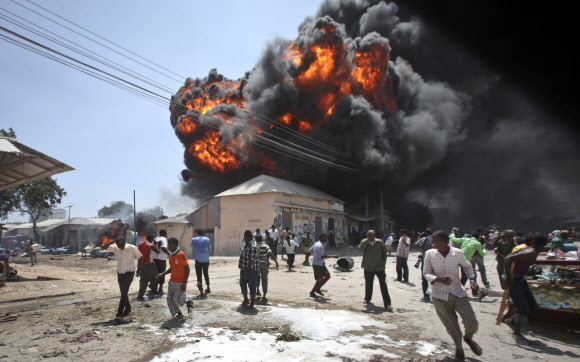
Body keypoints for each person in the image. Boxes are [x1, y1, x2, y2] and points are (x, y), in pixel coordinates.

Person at [423, 231, 482, 360]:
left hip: (457, 292)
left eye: (434, 241)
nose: (432, 243)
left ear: (442, 242)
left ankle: (468, 337)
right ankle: (459, 348)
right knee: (452, 327)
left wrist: (472, 280)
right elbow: (426, 272)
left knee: (471, 321)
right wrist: (438, 279)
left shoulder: (457, 253)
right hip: (439, 295)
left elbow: (467, 267)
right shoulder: (430, 254)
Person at [503, 234, 548, 337]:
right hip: (515, 279)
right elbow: (507, 259)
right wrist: (509, 277)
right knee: (523, 308)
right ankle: (517, 331)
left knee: (532, 305)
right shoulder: (530, 252)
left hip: (520, 279)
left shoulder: (531, 250)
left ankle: (511, 320)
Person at [103, 236, 141, 319]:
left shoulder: (132, 248)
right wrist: (113, 240)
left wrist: (139, 269)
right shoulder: (116, 248)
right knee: (123, 292)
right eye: (117, 244)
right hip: (120, 272)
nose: (119, 247)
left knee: (124, 292)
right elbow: (104, 247)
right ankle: (128, 308)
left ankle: (119, 312)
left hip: (129, 272)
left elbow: (139, 257)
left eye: (120, 245)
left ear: (124, 242)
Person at [156, 237, 193, 320]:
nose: (169, 246)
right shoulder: (171, 255)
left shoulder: (181, 255)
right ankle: (179, 314)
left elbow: (187, 269)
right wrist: (163, 273)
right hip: (172, 281)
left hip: (180, 282)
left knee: (176, 299)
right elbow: (172, 268)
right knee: (170, 300)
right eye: (168, 245)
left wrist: (184, 283)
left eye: (171, 245)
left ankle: (188, 302)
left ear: (176, 245)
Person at [358, 230, 391, 309]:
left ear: (375, 235)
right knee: (368, 284)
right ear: (367, 236)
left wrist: (383, 263)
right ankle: (367, 299)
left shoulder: (379, 242)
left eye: (372, 235)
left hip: (379, 267)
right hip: (368, 267)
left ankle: (387, 303)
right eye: (369, 235)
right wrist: (366, 241)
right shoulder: (364, 242)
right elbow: (360, 249)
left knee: (383, 285)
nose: (371, 237)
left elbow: (384, 253)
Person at [308, 234, 338, 298]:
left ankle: (318, 289)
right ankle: (312, 292)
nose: (326, 240)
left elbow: (309, 251)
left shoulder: (317, 243)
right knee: (319, 280)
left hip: (321, 264)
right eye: (325, 238)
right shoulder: (320, 246)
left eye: (326, 238)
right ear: (321, 238)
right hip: (317, 264)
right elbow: (322, 256)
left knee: (327, 276)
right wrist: (333, 256)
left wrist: (306, 259)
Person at [239, 230, 259, 309]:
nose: (244, 238)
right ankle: (246, 299)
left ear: (249, 237)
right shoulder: (246, 244)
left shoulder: (253, 246)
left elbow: (251, 260)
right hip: (244, 268)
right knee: (242, 284)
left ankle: (252, 303)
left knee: (252, 285)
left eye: (245, 237)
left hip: (251, 270)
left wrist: (247, 271)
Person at [255, 234, 278, 303]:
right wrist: (276, 261)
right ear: (262, 239)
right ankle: (264, 295)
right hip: (264, 264)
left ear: (256, 239)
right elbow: (270, 253)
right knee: (264, 279)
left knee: (257, 277)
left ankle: (257, 290)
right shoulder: (265, 245)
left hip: (256, 264)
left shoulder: (254, 246)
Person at [136, 234, 159, 300]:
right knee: (155, 277)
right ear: (152, 239)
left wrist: (138, 269)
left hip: (142, 264)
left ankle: (140, 295)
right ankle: (154, 291)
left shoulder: (140, 244)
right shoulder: (151, 245)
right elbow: (158, 251)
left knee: (143, 280)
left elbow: (139, 257)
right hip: (150, 264)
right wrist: (156, 244)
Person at [190, 230, 211, 297]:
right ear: (203, 233)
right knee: (206, 273)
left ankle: (201, 291)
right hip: (206, 259)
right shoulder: (207, 239)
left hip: (198, 260)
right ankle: (208, 288)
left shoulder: (194, 239)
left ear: (197, 233)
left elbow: (191, 245)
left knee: (199, 276)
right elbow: (209, 248)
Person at [416, 229, 433, 301]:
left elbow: (416, 245)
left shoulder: (424, 238)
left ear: (426, 233)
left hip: (426, 260)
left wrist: (419, 237)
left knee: (425, 278)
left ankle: (426, 296)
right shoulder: (436, 239)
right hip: (436, 260)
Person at [152, 229, 170, 295]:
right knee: (162, 273)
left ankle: (154, 288)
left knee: (155, 273)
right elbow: (163, 247)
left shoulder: (156, 238)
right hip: (161, 258)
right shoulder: (164, 239)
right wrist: (169, 254)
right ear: (164, 233)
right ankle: (160, 289)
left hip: (155, 258)